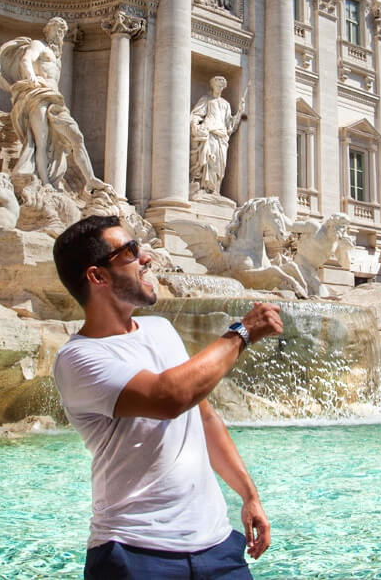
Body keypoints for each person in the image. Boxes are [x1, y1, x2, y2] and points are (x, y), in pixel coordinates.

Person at [52, 215, 284, 578]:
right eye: (129, 252)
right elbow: (169, 399)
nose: (146, 258)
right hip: (134, 552)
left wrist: (248, 494)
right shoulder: (79, 358)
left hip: (218, 546)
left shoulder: (160, 328)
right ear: (97, 277)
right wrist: (243, 332)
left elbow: (203, 417)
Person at [0, 17, 104, 195]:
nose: (59, 32)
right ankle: (45, 182)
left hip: (55, 100)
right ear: (47, 30)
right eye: (56, 28)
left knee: (76, 136)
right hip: (38, 94)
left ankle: (91, 179)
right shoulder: (38, 45)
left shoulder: (57, 56)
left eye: (62, 30)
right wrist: (31, 76)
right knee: (40, 142)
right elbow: (26, 60)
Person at [189, 76, 245, 197]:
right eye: (217, 85)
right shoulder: (206, 100)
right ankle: (204, 187)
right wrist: (195, 125)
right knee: (209, 160)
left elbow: (230, 124)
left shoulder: (226, 104)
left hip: (222, 136)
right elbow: (197, 114)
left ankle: (215, 190)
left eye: (221, 86)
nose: (219, 87)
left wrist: (240, 112)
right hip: (210, 133)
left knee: (220, 165)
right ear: (212, 85)